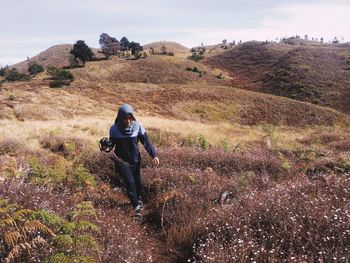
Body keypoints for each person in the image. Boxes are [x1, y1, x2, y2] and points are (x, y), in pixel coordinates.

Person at [102, 103, 159, 221]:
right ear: (120, 117)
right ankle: (137, 209)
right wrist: (107, 148)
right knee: (130, 182)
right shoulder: (114, 129)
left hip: (135, 160)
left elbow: (146, 142)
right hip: (122, 161)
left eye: (130, 118)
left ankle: (138, 199)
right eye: (125, 118)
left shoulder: (138, 126)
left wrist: (154, 155)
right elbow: (111, 144)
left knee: (137, 182)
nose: (128, 121)